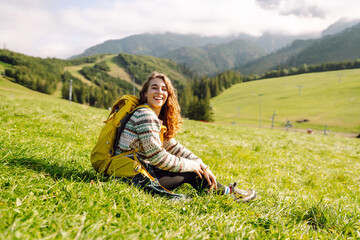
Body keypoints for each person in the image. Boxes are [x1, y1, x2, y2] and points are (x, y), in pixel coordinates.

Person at [115, 71, 256, 202]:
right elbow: (158, 158)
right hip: (130, 177)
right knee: (191, 172)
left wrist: (201, 164)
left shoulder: (153, 117)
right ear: (145, 93)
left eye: (164, 89)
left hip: (136, 172)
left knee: (192, 168)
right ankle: (228, 193)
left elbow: (173, 146)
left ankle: (223, 191)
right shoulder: (145, 115)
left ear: (168, 95)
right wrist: (193, 166)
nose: (159, 92)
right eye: (154, 88)